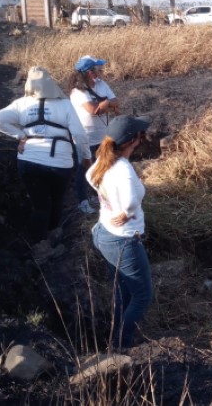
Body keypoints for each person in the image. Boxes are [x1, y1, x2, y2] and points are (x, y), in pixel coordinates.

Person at [0, 66, 91, 260]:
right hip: (59, 163)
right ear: (50, 84)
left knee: (40, 205)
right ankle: (50, 238)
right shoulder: (64, 104)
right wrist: (85, 156)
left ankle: (40, 243)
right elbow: (78, 134)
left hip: (28, 161)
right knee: (56, 200)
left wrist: (20, 135)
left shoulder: (21, 104)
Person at [87, 115, 152, 349]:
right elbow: (131, 200)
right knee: (143, 297)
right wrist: (126, 212)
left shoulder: (104, 159)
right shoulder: (123, 169)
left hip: (104, 233)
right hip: (123, 240)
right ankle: (121, 345)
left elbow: (89, 176)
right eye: (140, 135)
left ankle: (115, 336)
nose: (142, 138)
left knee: (122, 292)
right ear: (132, 141)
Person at [69, 55, 120, 214]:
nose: (100, 71)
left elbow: (116, 101)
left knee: (102, 167)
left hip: (102, 135)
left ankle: (95, 196)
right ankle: (83, 201)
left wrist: (105, 105)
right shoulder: (77, 91)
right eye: (97, 68)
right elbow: (93, 111)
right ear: (90, 72)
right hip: (84, 137)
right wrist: (106, 104)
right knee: (83, 168)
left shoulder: (101, 84)